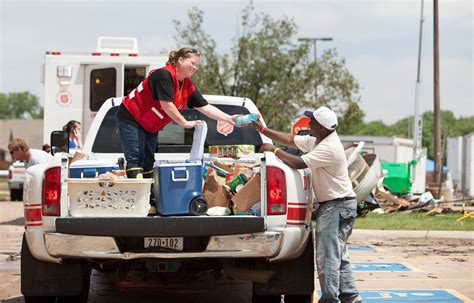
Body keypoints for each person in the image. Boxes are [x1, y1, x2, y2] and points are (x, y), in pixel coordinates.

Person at [251, 106, 361, 303]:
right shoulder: (320, 140)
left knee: (328, 257)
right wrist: (263, 130)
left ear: (321, 127)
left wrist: (274, 150)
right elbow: (290, 139)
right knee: (339, 255)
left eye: (312, 122)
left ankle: (329, 299)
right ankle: (351, 297)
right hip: (342, 205)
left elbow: (299, 162)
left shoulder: (328, 148)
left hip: (336, 206)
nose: (308, 124)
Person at [117, 47, 237, 179]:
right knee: (136, 161)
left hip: (149, 125)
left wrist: (229, 118)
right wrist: (184, 123)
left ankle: (149, 197)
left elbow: (204, 107)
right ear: (180, 60)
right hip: (132, 117)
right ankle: (138, 197)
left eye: (197, 65)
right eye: (192, 63)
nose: (195, 68)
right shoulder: (164, 76)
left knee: (148, 163)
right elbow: (167, 105)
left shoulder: (187, 85)